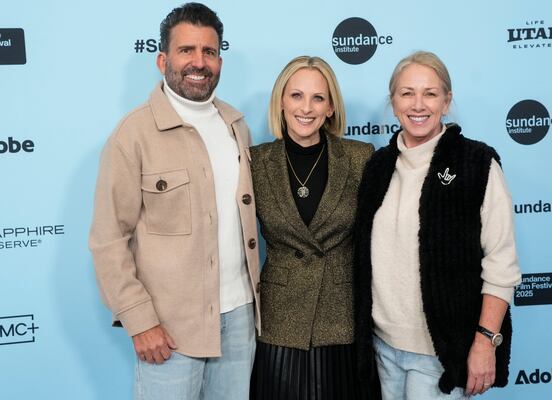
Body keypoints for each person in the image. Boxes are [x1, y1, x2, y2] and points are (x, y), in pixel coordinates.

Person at [88, 3, 259, 399]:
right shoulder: (133, 135)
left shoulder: (236, 126)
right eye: (187, 51)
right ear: (163, 59)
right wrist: (139, 322)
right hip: (168, 328)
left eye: (209, 52)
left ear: (219, 60)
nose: (199, 62)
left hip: (239, 321)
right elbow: (108, 238)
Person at [354, 51, 522, 399]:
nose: (418, 104)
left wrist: (485, 342)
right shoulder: (378, 167)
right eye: (407, 93)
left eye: (430, 93)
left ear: (446, 102)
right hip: (382, 349)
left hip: (440, 356)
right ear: (393, 102)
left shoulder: (477, 163)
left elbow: (501, 265)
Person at [249, 56, 380, 400]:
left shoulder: (361, 157)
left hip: (341, 319)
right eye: (296, 96)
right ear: (281, 101)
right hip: (279, 321)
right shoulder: (254, 161)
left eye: (318, 98)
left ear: (331, 107)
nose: (306, 108)